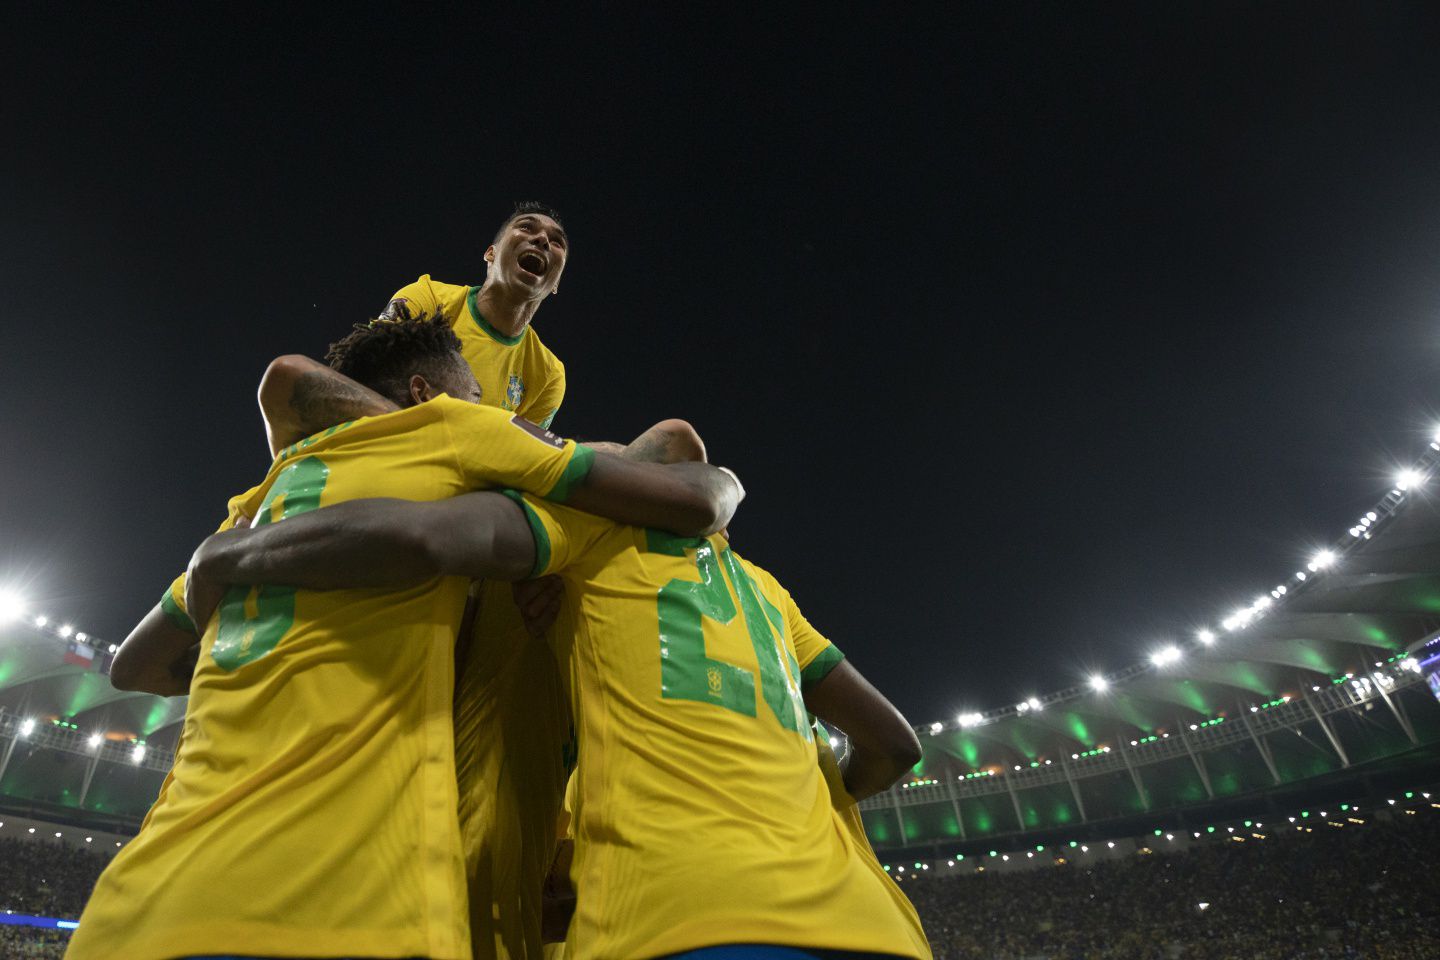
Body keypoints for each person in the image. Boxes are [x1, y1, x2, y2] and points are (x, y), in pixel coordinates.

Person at [71, 315, 744, 960]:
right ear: (427, 393)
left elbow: (134, 668)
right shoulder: (453, 433)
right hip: (346, 893)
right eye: (474, 393)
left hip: (149, 895)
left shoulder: (256, 503)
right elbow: (681, 469)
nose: (482, 406)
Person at [180, 468, 934, 959]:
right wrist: (807, 805)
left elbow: (419, 535)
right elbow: (895, 747)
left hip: (676, 920)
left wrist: (226, 558)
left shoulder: (588, 542)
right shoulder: (771, 595)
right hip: (872, 928)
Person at [379, 200, 569, 431]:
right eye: (527, 227)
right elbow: (370, 380)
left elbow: (516, 455)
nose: (542, 240)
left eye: (556, 241)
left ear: (556, 282)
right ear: (491, 253)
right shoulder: (428, 298)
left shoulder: (549, 376)